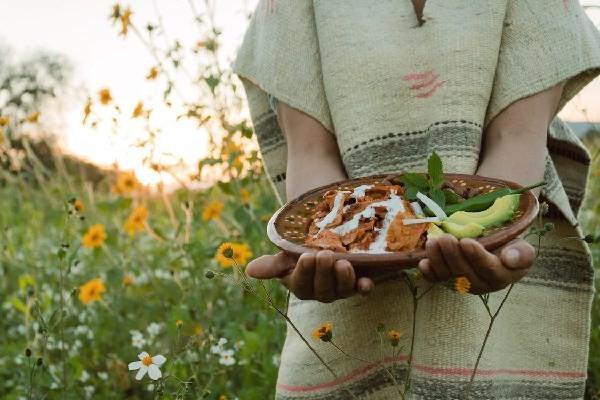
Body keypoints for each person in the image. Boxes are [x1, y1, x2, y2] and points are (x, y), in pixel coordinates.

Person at [233, 1, 600, 398]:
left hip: (491, 324)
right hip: (351, 328)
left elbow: (514, 139)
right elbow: (311, 154)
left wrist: (495, 235)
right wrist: (331, 243)